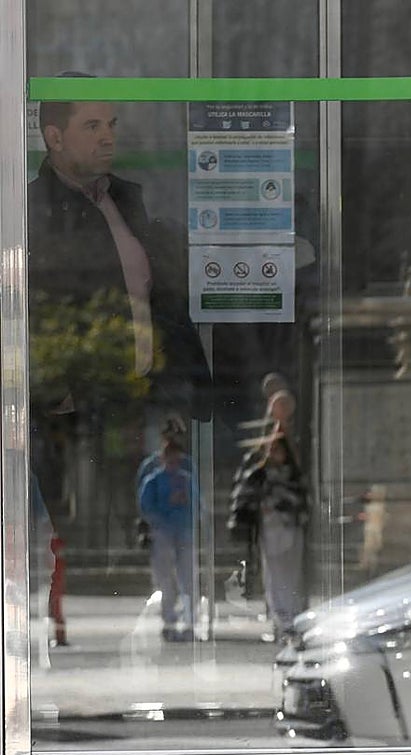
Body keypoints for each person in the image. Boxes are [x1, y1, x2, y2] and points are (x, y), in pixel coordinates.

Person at [28, 88, 211, 588]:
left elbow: (160, 296)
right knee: (89, 537)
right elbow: (35, 308)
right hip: (79, 408)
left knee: (151, 526)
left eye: (111, 123)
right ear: (54, 137)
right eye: (92, 126)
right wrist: (55, 390)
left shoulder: (126, 200)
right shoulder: (32, 212)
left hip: (147, 393)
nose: (108, 135)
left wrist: (186, 377)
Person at [228, 430, 308, 643]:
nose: (274, 454)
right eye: (271, 449)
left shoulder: (293, 475)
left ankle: (292, 619)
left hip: (291, 529)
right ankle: (280, 621)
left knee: (291, 575)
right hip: (269, 531)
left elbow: (301, 499)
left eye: (278, 449)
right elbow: (245, 499)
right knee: (274, 576)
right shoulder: (258, 474)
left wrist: (286, 505)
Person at [138, 437, 196, 642]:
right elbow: (146, 508)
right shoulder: (153, 481)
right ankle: (169, 621)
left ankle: (190, 621)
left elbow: (198, 505)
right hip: (162, 534)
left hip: (184, 533)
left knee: (187, 579)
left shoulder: (187, 480)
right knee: (165, 581)